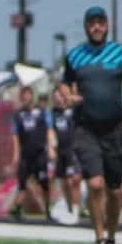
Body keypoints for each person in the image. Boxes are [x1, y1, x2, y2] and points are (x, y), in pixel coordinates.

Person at [56, 6, 122, 244]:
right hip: (86, 128)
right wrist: (67, 94)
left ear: (107, 25)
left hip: (114, 130)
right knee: (95, 184)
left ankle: (112, 240)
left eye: (100, 22)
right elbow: (64, 81)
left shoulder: (120, 53)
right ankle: (99, 240)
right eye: (92, 23)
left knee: (114, 192)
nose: (97, 27)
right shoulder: (75, 56)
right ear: (86, 26)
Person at [9, 86, 52, 221]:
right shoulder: (18, 115)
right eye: (24, 96)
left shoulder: (41, 113)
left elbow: (49, 130)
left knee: (44, 183)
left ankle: (48, 208)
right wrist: (16, 154)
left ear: (32, 97)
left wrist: (50, 148)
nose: (26, 98)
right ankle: (17, 208)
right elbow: (15, 135)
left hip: (39, 154)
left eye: (28, 95)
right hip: (26, 154)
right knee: (22, 183)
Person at [49, 87, 83, 220]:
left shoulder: (73, 111)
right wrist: (52, 147)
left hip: (72, 149)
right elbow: (50, 130)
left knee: (73, 180)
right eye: (56, 97)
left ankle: (75, 210)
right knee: (64, 182)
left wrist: (72, 97)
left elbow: (82, 102)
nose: (58, 99)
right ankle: (69, 209)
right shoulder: (53, 113)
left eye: (60, 96)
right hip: (60, 151)